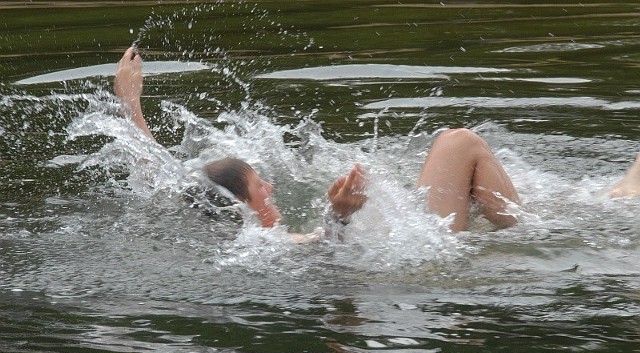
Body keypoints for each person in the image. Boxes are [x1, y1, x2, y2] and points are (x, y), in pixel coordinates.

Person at [116, 47, 567, 235]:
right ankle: (535, 238)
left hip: (406, 247)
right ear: (241, 206)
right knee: (458, 142)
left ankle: (537, 224)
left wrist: (131, 106)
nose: (270, 188)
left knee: (461, 149)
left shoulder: (235, 234)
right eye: (259, 187)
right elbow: (329, 257)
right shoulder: (267, 247)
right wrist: (338, 214)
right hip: (422, 260)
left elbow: (163, 176)